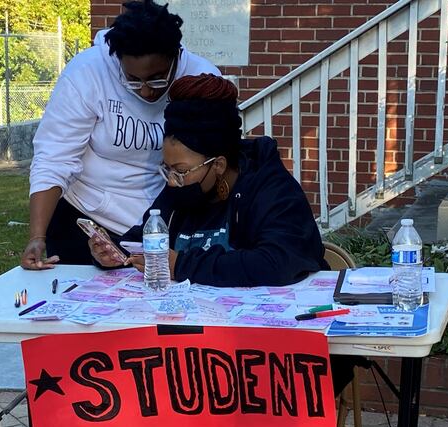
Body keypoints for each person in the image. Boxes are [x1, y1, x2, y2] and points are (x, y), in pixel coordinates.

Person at [21, 0, 219, 270]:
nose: (146, 91)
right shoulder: (86, 73)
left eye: (158, 79)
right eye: (133, 80)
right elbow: (54, 157)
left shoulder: (200, 77)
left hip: (166, 220)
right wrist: (37, 237)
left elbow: (218, 155)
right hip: (87, 220)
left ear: (176, 58)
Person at [91, 74, 329, 287]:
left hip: (260, 327)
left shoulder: (270, 187)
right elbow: (142, 241)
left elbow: (278, 262)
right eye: (167, 169)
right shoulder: (181, 188)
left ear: (218, 165)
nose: (173, 181)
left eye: (181, 171)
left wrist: (183, 266)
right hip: (188, 319)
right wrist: (113, 252)